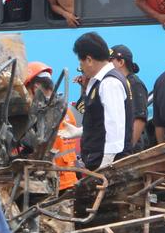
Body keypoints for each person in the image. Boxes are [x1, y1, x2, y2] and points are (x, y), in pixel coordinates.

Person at [72, 33, 130, 169]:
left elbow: (115, 127)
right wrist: (79, 131)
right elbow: (101, 122)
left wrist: (106, 164)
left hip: (104, 162)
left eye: (81, 63)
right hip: (96, 158)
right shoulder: (99, 81)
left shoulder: (109, 83)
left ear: (89, 60)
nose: (82, 68)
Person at [25, 62, 80, 190]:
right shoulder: (65, 109)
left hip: (55, 182)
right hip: (69, 178)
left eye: (27, 89)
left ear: (36, 86)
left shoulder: (44, 113)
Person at [110, 45, 149, 147]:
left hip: (130, 152)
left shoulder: (134, 84)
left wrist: (128, 149)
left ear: (121, 62)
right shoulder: (118, 84)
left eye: (110, 61)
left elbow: (139, 118)